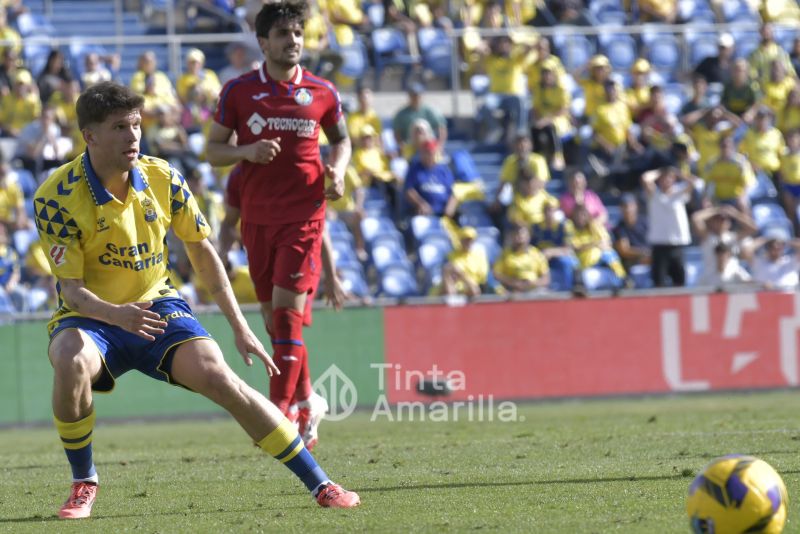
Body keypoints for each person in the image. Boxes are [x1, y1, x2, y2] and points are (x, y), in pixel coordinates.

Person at [33, 81, 360, 520]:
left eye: (136, 124)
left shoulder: (163, 177)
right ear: (89, 136)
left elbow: (203, 253)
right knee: (69, 358)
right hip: (92, 318)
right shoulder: (55, 196)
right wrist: (118, 316)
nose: (133, 136)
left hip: (158, 306)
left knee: (223, 378)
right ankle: (84, 482)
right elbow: (72, 291)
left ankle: (320, 482)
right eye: (119, 127)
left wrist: (240, 327)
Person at [205, 1, 350, 451]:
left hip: (304, 218)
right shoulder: (238, 92)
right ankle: (308, 399)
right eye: (284, 34)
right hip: (258, 221)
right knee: (275, 323)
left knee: (286, 316)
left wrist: (339, 170)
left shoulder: (323, 91)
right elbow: (213, 151)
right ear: (263, 41)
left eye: (298, 34)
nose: (293, 41)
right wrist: (246, 152)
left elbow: (341, 140)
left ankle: (278, 413)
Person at [642, 167, 692, 287]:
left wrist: (677, 172)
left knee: (679, 281)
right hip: (659, 246)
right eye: (663, 179)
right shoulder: (654, 195)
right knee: (659, 282)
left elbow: (693, 182)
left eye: (669, 178)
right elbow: (645, 178)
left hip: (677, 245)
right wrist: (659, 172)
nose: (666, 181)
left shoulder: (679, 194)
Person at [403, 139, 456, 217]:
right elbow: (409, 191)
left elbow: (452, 194)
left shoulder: (444, 170)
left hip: (443, 214)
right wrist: (421, 203)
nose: (429, 154)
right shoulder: (415, 169)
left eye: (431, 152)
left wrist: (450, 207)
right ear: (421, 153)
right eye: (426, 152)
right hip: (422, 214)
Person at [493, 223, 550, 294]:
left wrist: (533, 283)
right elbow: (497, 274)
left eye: (523, 234)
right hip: (512, 290)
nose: (520, 237)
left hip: (534, 290)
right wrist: (514, 283)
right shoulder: (504, 254)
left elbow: (546, 279)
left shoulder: (536, 254)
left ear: (529, 236)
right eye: (516, 234)